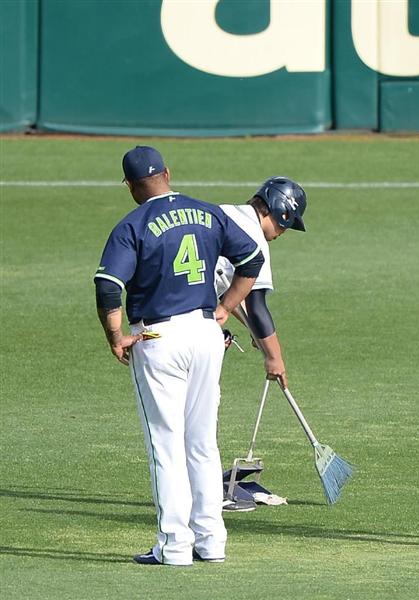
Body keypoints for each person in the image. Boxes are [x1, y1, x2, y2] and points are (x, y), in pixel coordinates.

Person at [94, 146, 264, 567]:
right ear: (168, 173)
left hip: (159, 337)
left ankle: (174, 548)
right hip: (207, 334)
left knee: (166, 446)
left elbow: (108, 286)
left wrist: (115, 336)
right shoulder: (208, 212)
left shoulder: (132, 224)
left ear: (131, 186)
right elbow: (252, 259)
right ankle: (212, 542)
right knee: (203, 443)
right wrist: (224, 308)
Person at [216, 176, 307, 390]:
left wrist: (257, 333)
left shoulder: (222, 211)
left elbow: (224, 288)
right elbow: (256, 306)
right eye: (288, 224)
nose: (284, 232)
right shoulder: (254, 236)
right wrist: (274, 358)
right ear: (282, 212)